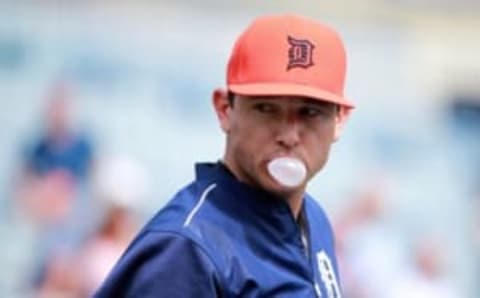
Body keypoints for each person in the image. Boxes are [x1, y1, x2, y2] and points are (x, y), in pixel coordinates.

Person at [95, 14, 354, 298]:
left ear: (339, 120)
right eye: (266, 109)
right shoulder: (187, 248)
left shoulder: (314, 219)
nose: (289, 135)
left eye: (310, 112)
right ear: (224, 109)